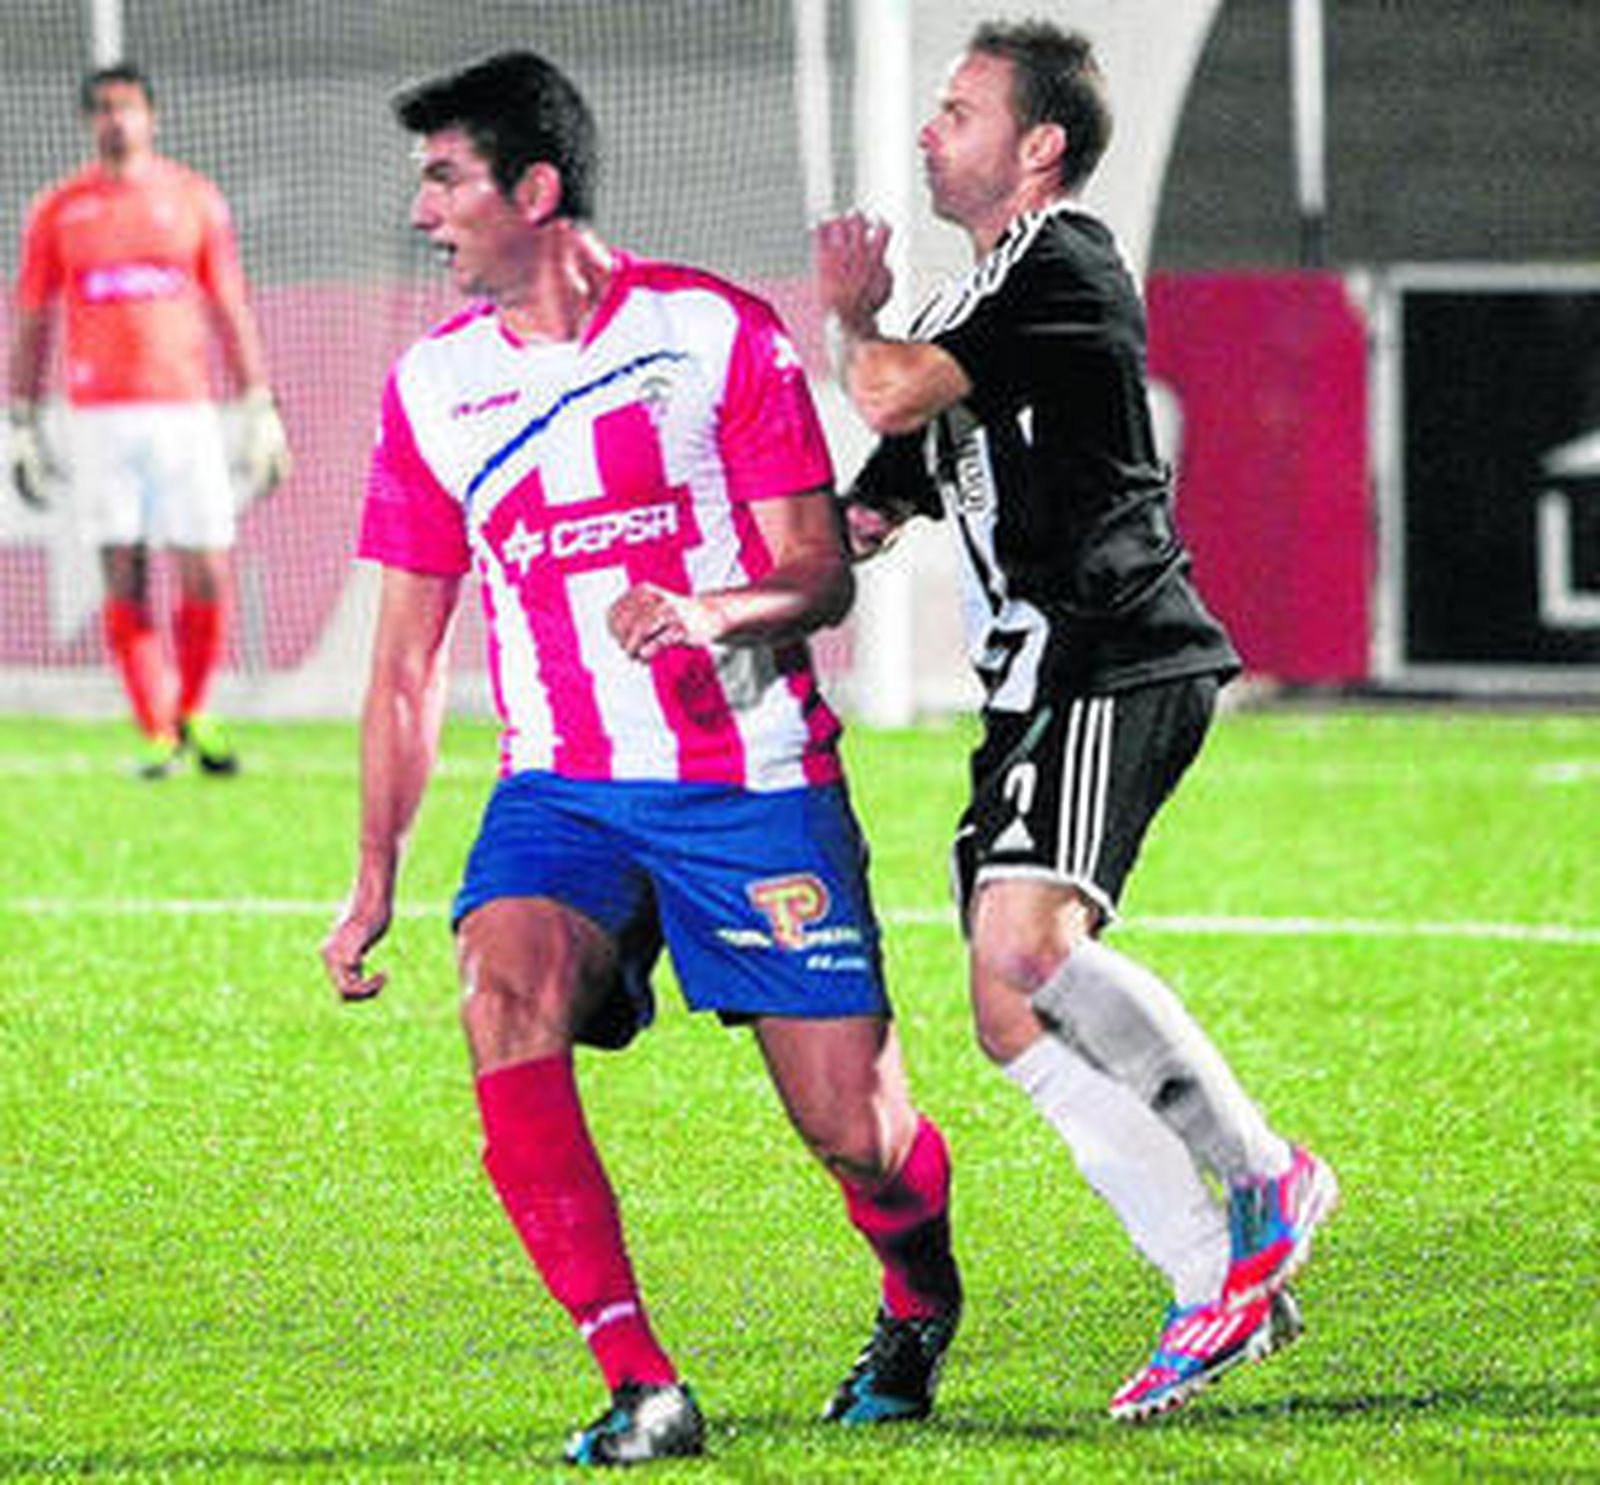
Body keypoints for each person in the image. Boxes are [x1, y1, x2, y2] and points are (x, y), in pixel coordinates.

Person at [319, 50, 962, 1467]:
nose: (423, 212)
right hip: (563, 790)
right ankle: (640, 1380)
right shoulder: (433, 390)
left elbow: (819, 573)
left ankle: (917, 1288)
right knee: (502, 986)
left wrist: (708, 610)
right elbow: (406, 664)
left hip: (755, 785)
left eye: (446, 179)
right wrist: (374, 876)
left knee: (858, 1135)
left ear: (533, 190)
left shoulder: (712, 334)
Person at [814, 21, 1337, 1422]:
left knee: (1031, 942)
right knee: (1007, 1008)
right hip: (1027, 690)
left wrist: (856, 314)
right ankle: (1211, 1283)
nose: (932, 130)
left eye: (960, 109)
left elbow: (886, 384)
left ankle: (1258, 1178)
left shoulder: (1063, 260)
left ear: (1037, 145)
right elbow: (865, 508)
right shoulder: (978, 299)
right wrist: (714, 586)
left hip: (1114, 653)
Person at [8, 62, 290, 778]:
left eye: (127, 107)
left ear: (151, 116)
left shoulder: (193, 199)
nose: (116, 120)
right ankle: (157, 727)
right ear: (87, 121)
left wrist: (258, 403)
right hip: (98, 418)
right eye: (102, 108)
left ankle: (196, 706)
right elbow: (35, 320)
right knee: (123, 570)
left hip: (187, 414)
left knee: (205, 569)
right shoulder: (58, 210)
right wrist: (21, 419)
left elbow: (229, 306)